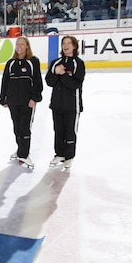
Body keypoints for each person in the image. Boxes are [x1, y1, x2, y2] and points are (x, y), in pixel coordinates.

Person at [0, 37, 44, 169]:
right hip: (13, 101)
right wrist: (3, 99)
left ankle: (24, 154)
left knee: (25, 128)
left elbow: (37, 82)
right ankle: (20, 150)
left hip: (27, 102)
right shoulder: (11, 63)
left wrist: (34, 98)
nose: (19, 46)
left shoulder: (33, 62)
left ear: (27, 46)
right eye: (17, 44)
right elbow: (5, 82)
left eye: (22, 44)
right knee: (17, 127)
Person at [45, 35, 85, 169]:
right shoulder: (56, 62)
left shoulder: (78, 63)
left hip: (72, 105)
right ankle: (59, 153)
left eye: (68, 43)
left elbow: (75, 84)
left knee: (70, 131)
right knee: (58, 130)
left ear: (74, 46)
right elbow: (49, 81)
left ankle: (69, 156)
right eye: (64, 43)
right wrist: (56, 72)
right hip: (57, 104)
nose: (66, 45)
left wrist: (63, 75)